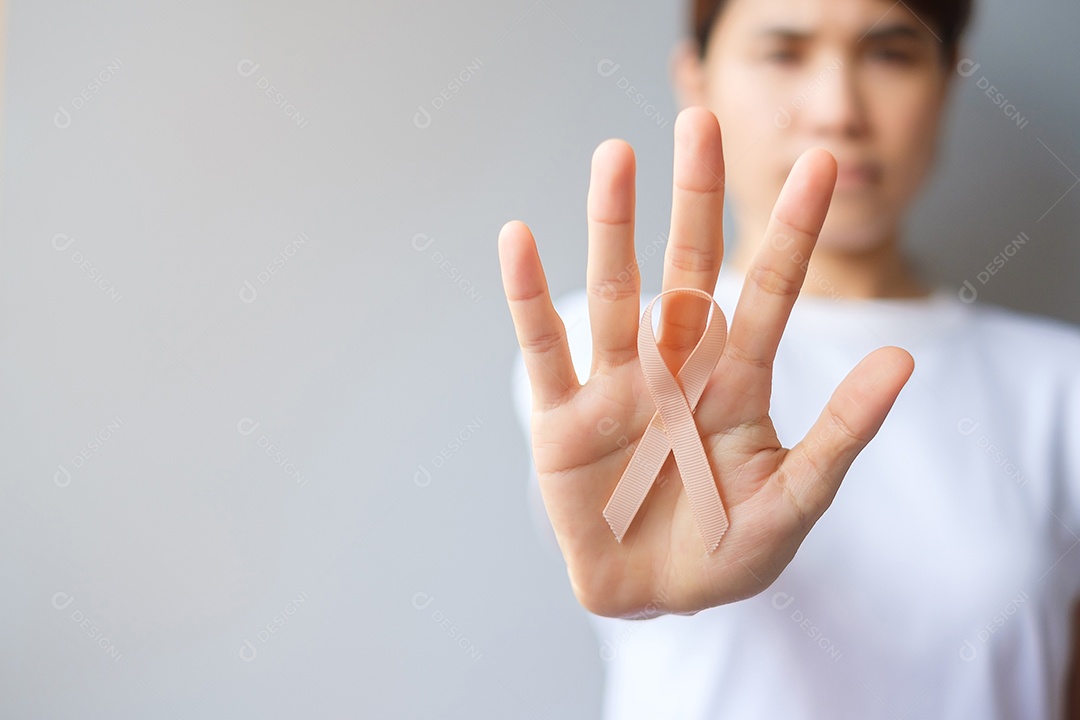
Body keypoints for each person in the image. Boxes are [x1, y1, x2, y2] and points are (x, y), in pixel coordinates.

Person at [498, 0, 1080, 717]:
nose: (838, 111)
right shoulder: (603, 362)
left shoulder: (1061, 387)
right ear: (696, 78)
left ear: (948, 83)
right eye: (783, 53)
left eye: (891, 54)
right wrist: (647, 597)